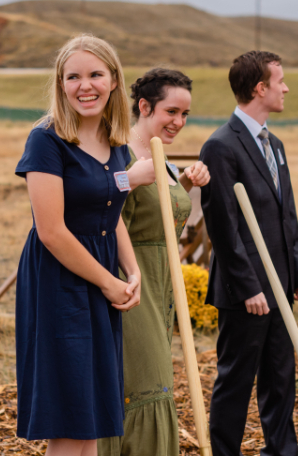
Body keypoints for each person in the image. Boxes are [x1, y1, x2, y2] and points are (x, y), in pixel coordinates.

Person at [14, 35, 142, 456]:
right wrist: (108, 281)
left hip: (101, 275)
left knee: (90, 417)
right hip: (60, 279)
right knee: (70, 418)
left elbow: (111, 215)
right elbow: (51, 231)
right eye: (73, 77)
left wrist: (132, 270)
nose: (84, 86)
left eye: (95, 75)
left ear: (114, 81)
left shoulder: (117, 141)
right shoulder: (46, 140)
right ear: (61, 84)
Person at [200, 50, 298, 456]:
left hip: (281, 284)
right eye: (280, 80)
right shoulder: (220, 146)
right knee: (236, 379)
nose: (286, 88)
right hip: (244, 290)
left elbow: (287, 214)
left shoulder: (275, 143)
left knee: (280, 377)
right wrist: (248, 287)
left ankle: (281, 451)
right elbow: (223, 228)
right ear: (259, 88)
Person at [97, 68, 210, 456]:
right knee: (142, 384)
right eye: (171, 112)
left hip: (162, 283)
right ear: (144, 106)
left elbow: (159, 216)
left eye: (185, 115)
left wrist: (188, 183)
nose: (178, 122)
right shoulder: (117, 154)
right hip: (129, 281)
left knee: (156, 379)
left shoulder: (163, 159)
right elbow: (105, 217)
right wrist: (129, 179)